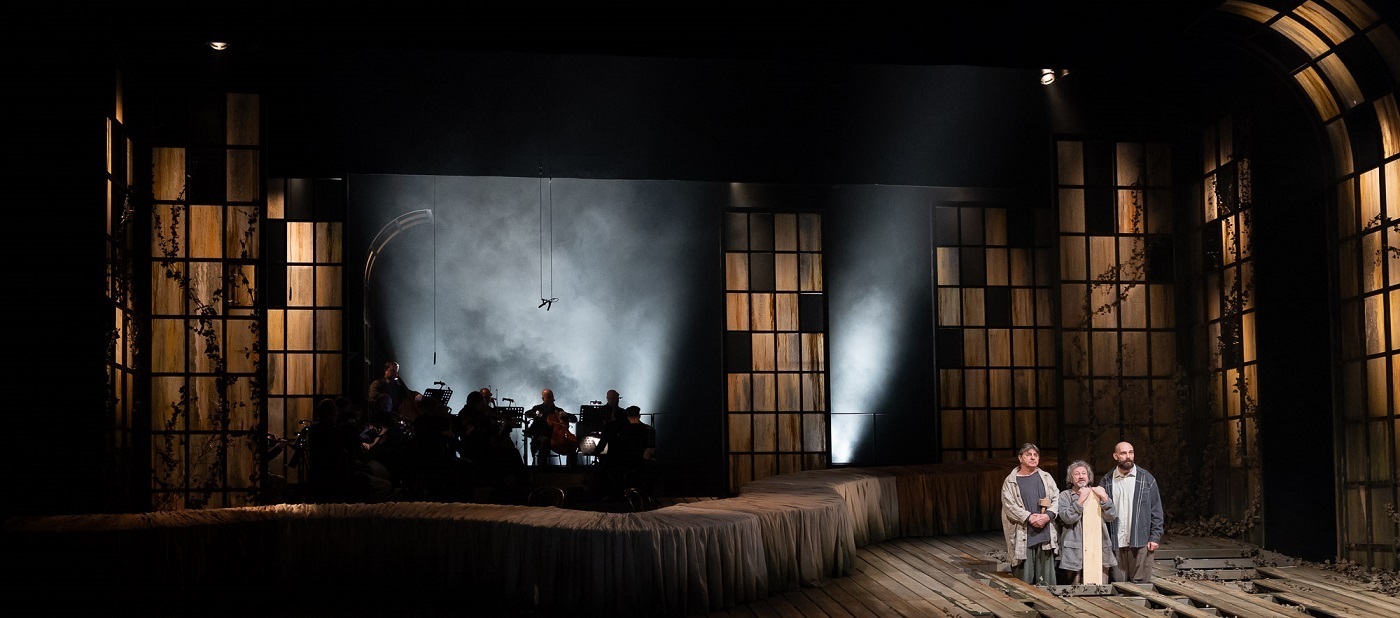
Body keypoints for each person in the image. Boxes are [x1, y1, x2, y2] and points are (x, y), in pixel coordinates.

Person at [1099, 441, 1164, 583]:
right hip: (1116, 541)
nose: (1128, 456)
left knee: (1141, 585)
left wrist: (1155, 536)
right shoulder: (1107, 481)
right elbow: (1101, 513)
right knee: (1118, 584)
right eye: (1123, 453)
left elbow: (1156, 510)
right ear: (1115, 456)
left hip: (1140, 541)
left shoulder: (1146, 479)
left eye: (1131, 452)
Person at [1001, 443, 1059, 586]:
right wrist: (1029, 517)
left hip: (1045, 532)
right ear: (1020, 458)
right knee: (1024, 579)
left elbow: (1056, 498)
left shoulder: (1046, 477)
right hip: (1024, 533)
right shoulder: (1011, 481)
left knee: (1046, 579)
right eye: (1028, 455)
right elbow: (1009, 506)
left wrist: (1048, 516)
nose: (1033, 458)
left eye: (1035, 455)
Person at [1056, 460, 1117, 585]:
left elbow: (1111, 516)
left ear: (1089, 477)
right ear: (1071, 479)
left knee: (1100, 586)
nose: (1081, 476)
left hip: (1098, 547)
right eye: (1076, 474)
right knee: (1074, 587)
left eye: (1084, 473)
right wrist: (1080, 499)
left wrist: (1105, 498)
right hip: (1075, 549)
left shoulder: (1098, 493)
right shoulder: (1065, 496)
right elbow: (1067, 518)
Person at [597, 405, 657, 499]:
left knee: (605, 470)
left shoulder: (616, 427)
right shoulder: (645, 429)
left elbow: (605, 445)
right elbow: (650, 449)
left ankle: (612, 493)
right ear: (639, 416)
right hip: (636, 460)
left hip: (620, 461)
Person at [524, 389, 578, 466]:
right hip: (542, 435)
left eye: (551, 396)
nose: (550, 399)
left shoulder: (558, 410)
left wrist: (567, 415)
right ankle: (542, 469)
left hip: (558, 437)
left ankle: (571, 469)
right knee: (545, 442)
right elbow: (527, 414)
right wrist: (535, 414)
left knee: (571, 443)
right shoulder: (538, 408)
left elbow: (574, 419)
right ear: (543, 398)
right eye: (548, 397)